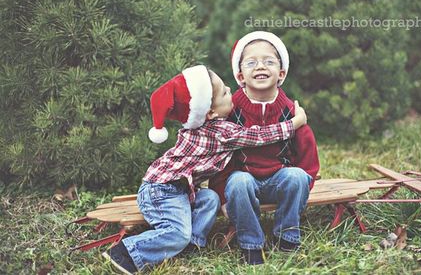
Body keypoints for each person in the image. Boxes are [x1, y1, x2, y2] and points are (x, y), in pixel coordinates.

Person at [102, 65, 308, 274]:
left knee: (210, 198)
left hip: (179, 189)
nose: (230, 90)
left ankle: (192, 243)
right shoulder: (220, 131)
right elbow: (258, 135)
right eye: (225, 93)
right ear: (211, 112)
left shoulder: (201, 125)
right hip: (161, 191)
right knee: (176, 233)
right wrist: (294, 123)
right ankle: (126, 253)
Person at [209, 31, 320, 265]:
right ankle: (251, 244)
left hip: (278, 178)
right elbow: (220, 154)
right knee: (239, 182)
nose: (260, 66)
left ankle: (287, 236)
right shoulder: (232, 111)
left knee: (296, 177)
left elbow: (306, 148)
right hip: (244, 181)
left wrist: (306, 181)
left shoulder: (289, 110)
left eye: (269, 61)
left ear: (281, 73)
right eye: (251, 62)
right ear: (240, 76)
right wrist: (221, 195)